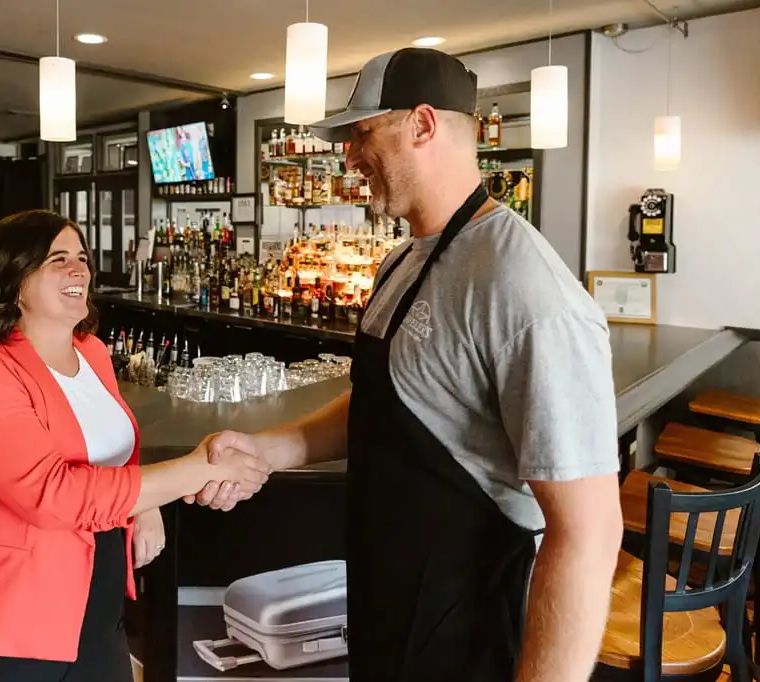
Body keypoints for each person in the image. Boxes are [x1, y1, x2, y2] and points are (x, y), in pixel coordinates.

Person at [187, 48, 624, 682]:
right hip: (385, 607)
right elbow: (384, 402)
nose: (350, 158)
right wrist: (269, 449)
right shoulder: (403, 260)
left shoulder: (524, 285)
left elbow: (588, 532)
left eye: (363, 134)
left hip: (466, 635)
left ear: (422, 124)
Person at [0, 210, 270, 682]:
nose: (80, 270)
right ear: (13, 279)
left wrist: (145, 504)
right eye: (58, 259)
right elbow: (56, 495)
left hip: (99, 600)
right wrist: (199, 470)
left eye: (82, 258)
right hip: (13, 618)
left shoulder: (91, 351)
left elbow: (115, 446)